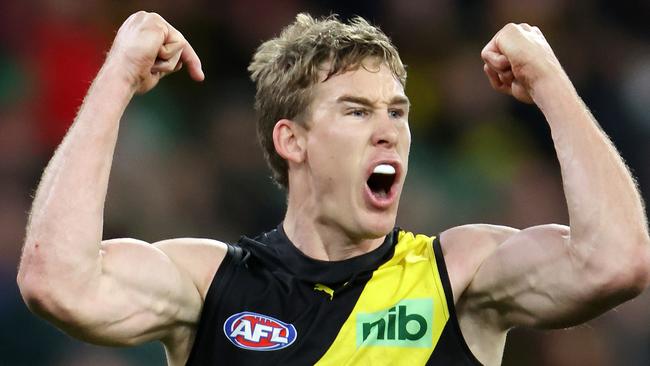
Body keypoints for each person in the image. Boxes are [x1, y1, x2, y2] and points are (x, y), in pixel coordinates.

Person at [17, 11, 650, 366]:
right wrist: (117, 77)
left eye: (397, 112)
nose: (389, 132)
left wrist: (550, 82)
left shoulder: (457, 275)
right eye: (356, 111)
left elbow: (616, 262)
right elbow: (57, 281)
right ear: (292, 141)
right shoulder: (210, 285)